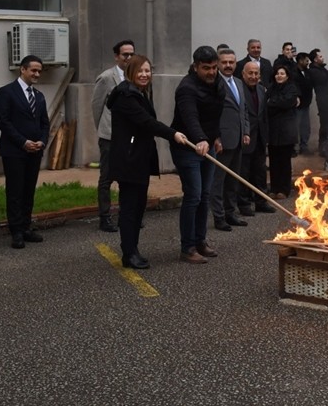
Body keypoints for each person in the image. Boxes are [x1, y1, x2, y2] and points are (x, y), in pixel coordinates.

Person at [106, 55, 189, 269]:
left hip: (138, 158)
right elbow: (147, 122)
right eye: (140, 71)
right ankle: (129, 254)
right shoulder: (126, 95)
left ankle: (133, 249)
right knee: (130, 208)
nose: (144, 75)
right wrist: (173, 134)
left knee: (138, 207)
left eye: (147, 71)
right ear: (130, 72)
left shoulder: (139, 92)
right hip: (129, 159)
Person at [170, 46, 223, 264]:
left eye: (214, 67)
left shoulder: (217, 82)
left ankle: (200, 241)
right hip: (187, 147)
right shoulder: (186, 88)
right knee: (193, 195)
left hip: (208, 145)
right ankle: (187, 248)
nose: (211, 72)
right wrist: (200, 138)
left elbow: (216, 114)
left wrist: (216, 137)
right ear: (195, 66)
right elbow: (190, 117)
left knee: (205, 195)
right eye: (206, 68)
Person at [0, 54, 51, 249]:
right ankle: (16, 231)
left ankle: (26, 227)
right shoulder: (6, 92)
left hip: (34, 152)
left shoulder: (39, 96)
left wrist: (42, 141)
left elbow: (45, 123)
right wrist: (23, 142)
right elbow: (3, 122)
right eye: (33, 70)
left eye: (39, 71)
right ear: (23, 69)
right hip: (14, 151)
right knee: (15, 191)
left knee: (28, 191)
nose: (37, 74)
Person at [91, 39, 135, 233]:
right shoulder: (107, 78)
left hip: (130, 137)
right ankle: (105, 217)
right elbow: (97, 106)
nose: (129, 58)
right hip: (110, 137)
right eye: (125, 54)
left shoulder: (136, 76)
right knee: (107, 177)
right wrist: (103, 130)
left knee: (128, 177)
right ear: (117, 56)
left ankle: (127, 216)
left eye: (132, 54)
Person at [210, 47, 248, 230]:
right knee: (218, 181)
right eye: (224, 62)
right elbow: (211, 114)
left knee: (233, 181)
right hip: (222, 141)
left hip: (238, 139)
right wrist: (216, 137)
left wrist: (246, 131)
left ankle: (230, 213)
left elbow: (243, 110)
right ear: (218, 63)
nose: (228, 65)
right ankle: (219, 217)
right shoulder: (213, 84)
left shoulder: (239, 83)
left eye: (231, 62)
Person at [237, 61, 272, 212]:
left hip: (260, 137)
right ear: (243, 74)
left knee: (260, 172)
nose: (253, 76)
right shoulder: (238, 89)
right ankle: (244, 204)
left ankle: (261, 202)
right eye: (250, 73)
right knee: (243, 172)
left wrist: (266, 135)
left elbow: (263, 115)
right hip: (245, 136)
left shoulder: (261, 89)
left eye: (256, 73)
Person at [266, 64, 300, 198]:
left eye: (282, 73)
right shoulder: (271, 88)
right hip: (273, 130)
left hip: (286, 131)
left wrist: (272, 102)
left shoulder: (291, 88)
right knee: (274, 162)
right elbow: (266, 104)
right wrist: (276, 103)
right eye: (277, 73)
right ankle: (274, 188)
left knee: (284, 162)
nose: (279, 76)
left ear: (287, 76)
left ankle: (284, 190)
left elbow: (287, 102)